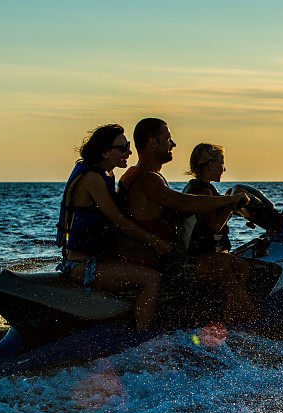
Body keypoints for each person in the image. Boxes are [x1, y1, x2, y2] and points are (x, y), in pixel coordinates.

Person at [116, 119, 254, 322]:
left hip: (165, 257)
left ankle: (229, 318)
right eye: (168, 139)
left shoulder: (146, 176)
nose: (173, 144)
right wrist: (230, 200)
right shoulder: (146, 179)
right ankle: (249, 323)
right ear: (153, 143)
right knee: (221, 269)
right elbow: (182, 203)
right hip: (162, 263)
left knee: (240, 266)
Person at [56, 124, 172, 331]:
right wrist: (156, 242)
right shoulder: (93, 179)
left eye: (128, 146)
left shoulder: (107, 174)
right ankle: (141, 338)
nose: (128, 152)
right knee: (151, 279)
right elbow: (118, 220)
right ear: (104, 152)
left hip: (95, 259)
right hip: (82, 265)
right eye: (122, 148)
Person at [183, 143, 259, 324]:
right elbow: (214, 226)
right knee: (238, 277)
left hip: (203, 256)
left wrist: (226, 200)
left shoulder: (197, 187)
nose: (223, 168)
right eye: (221, 163)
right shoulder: (204, 191)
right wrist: (231, 205)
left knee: (243, 267)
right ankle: (251, 319)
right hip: (203, 259)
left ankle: (229, 317)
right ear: (210, 165)